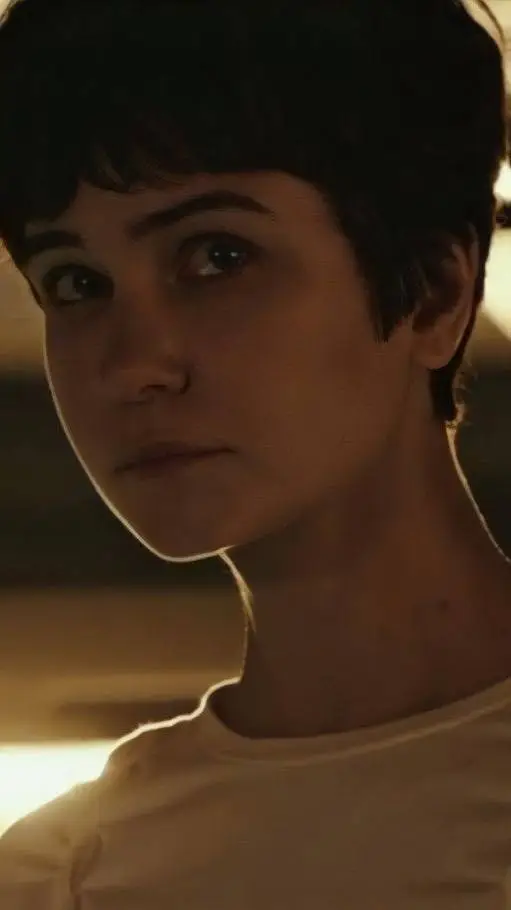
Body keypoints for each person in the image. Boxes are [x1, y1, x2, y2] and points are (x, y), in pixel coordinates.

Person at [0, 0, 509, 905]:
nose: (134, 365)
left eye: (218, 257)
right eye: (76, 282)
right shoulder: (63, 872)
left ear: (433, 292)